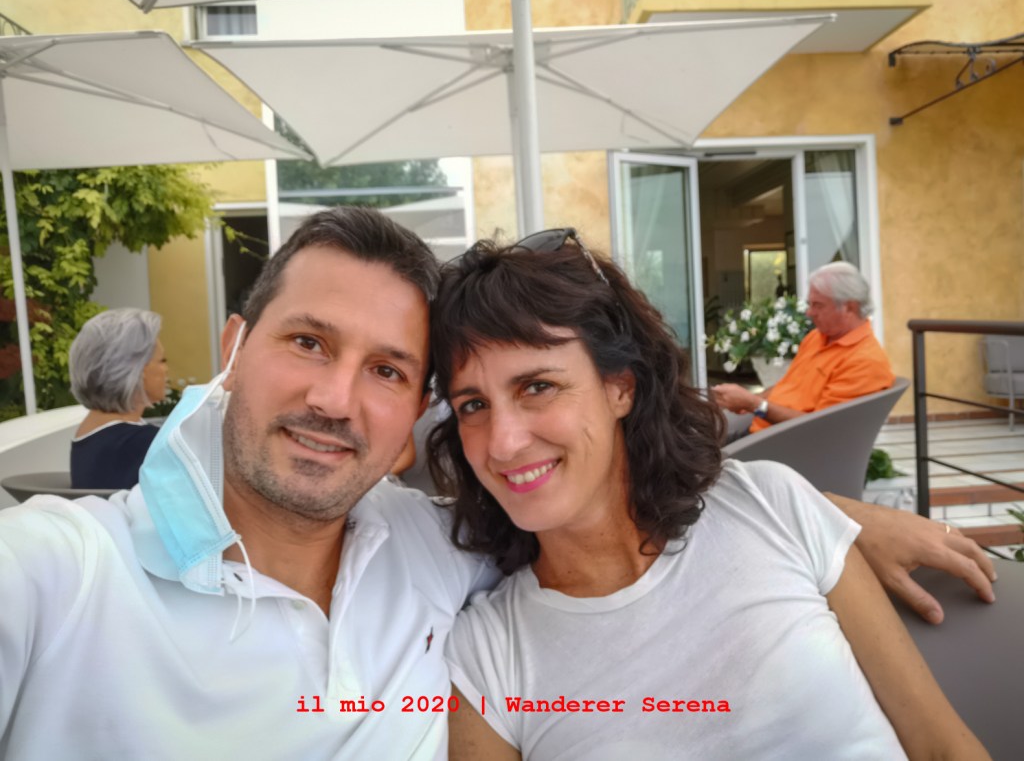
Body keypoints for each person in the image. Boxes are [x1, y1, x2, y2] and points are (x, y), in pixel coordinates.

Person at [0, 209, 994, 759]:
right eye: (307, 342)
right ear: (233, 349)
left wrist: (831, 514)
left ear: (409, 413)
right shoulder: (55, 572)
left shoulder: (429, 555)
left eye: (387, 369)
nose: (335, 399)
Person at [428, 231, 988, 760]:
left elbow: (942, 747)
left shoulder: (772, 508)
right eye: (473, 404)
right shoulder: (487, 656)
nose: (502, 442)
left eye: (538, 386)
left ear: (620, 387)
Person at [712, 261, 894, 436]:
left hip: (785, 443)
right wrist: (748, 400)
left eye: (818, 305)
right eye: (809, 304)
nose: (809, 313)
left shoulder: (865, 361)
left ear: (849, 308)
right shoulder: (817, 337)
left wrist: (754, 404)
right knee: (701, 432)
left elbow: (819, 428)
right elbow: (789, 385)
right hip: (763, 426)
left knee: (701, 446)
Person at [68, 308, 167, 489]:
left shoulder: (90, 433)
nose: (166, 369)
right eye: (162, 360)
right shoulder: (145, 443)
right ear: (137, 370)